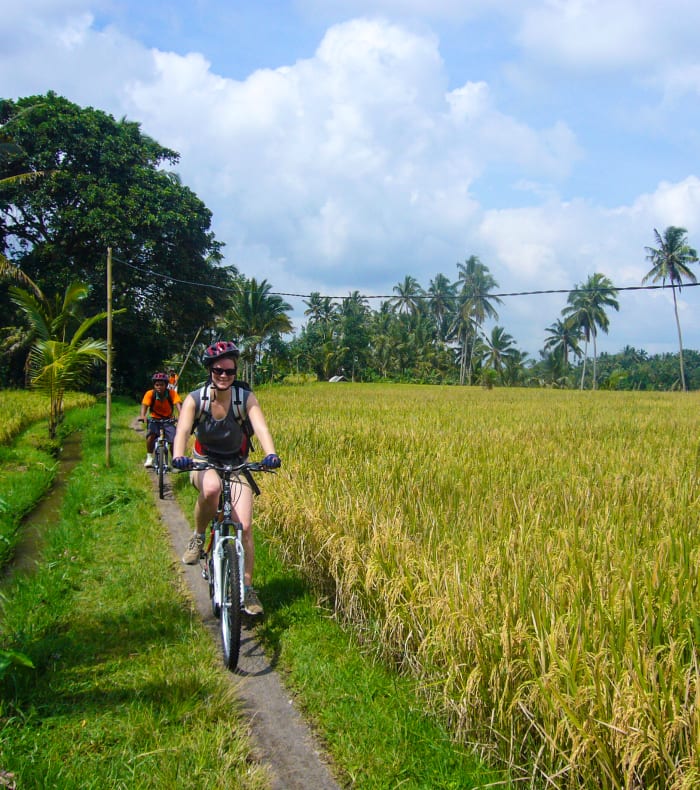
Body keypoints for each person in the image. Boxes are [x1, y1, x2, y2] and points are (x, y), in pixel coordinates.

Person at [172, 340, 281, 616]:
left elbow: (261, 426)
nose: (224, 376)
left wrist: (270, 454)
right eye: (218, 370)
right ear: (210, 369)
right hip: (203, 462)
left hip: (237, 464)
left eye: (230, 371)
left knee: (244, 527)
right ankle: (198, 537)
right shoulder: (197, 399)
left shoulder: (244, 398)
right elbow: (183, 430)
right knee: (211, 488)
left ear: (235, 372)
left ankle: (247, 588)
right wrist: (177, 456)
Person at [139, 372, 182, 467]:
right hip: (154, 419)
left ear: (166, 385)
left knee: (174, 440)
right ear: (154, 385)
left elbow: (178, 404)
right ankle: (149, 457)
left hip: (168, 420)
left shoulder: (172, 393)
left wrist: (182, 416)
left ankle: (175, 460)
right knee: (151, 435)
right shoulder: (150, 393)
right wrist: (143, 415)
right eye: (157, 385)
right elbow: (144, 405)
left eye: (162, 385)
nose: (159, 387)